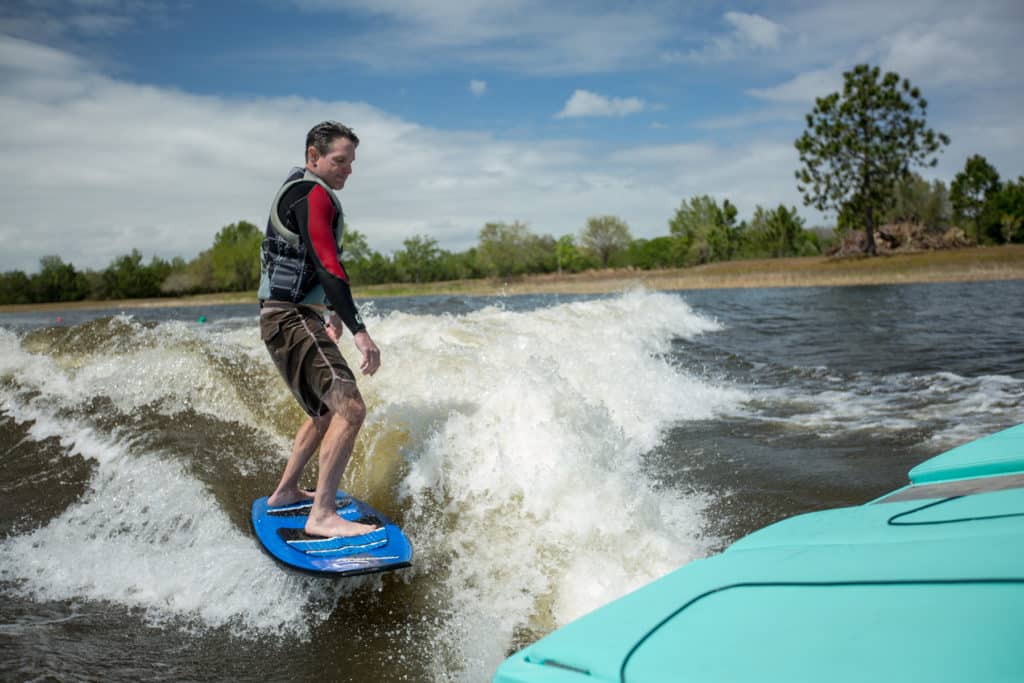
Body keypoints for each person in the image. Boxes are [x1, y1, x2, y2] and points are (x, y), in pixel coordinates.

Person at [258, 121, 380, 539]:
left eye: (351, 163)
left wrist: (326, 309)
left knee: (326, 409)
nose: (347, 170)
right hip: (289, 317)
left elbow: (305, 260)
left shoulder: (302, 191)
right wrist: (359, 330)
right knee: (350, 407)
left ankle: (286, 492)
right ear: (314, 157)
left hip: (290, 314)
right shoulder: (313, 195)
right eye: (339, 161)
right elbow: (329, 265)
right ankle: (323, 515)